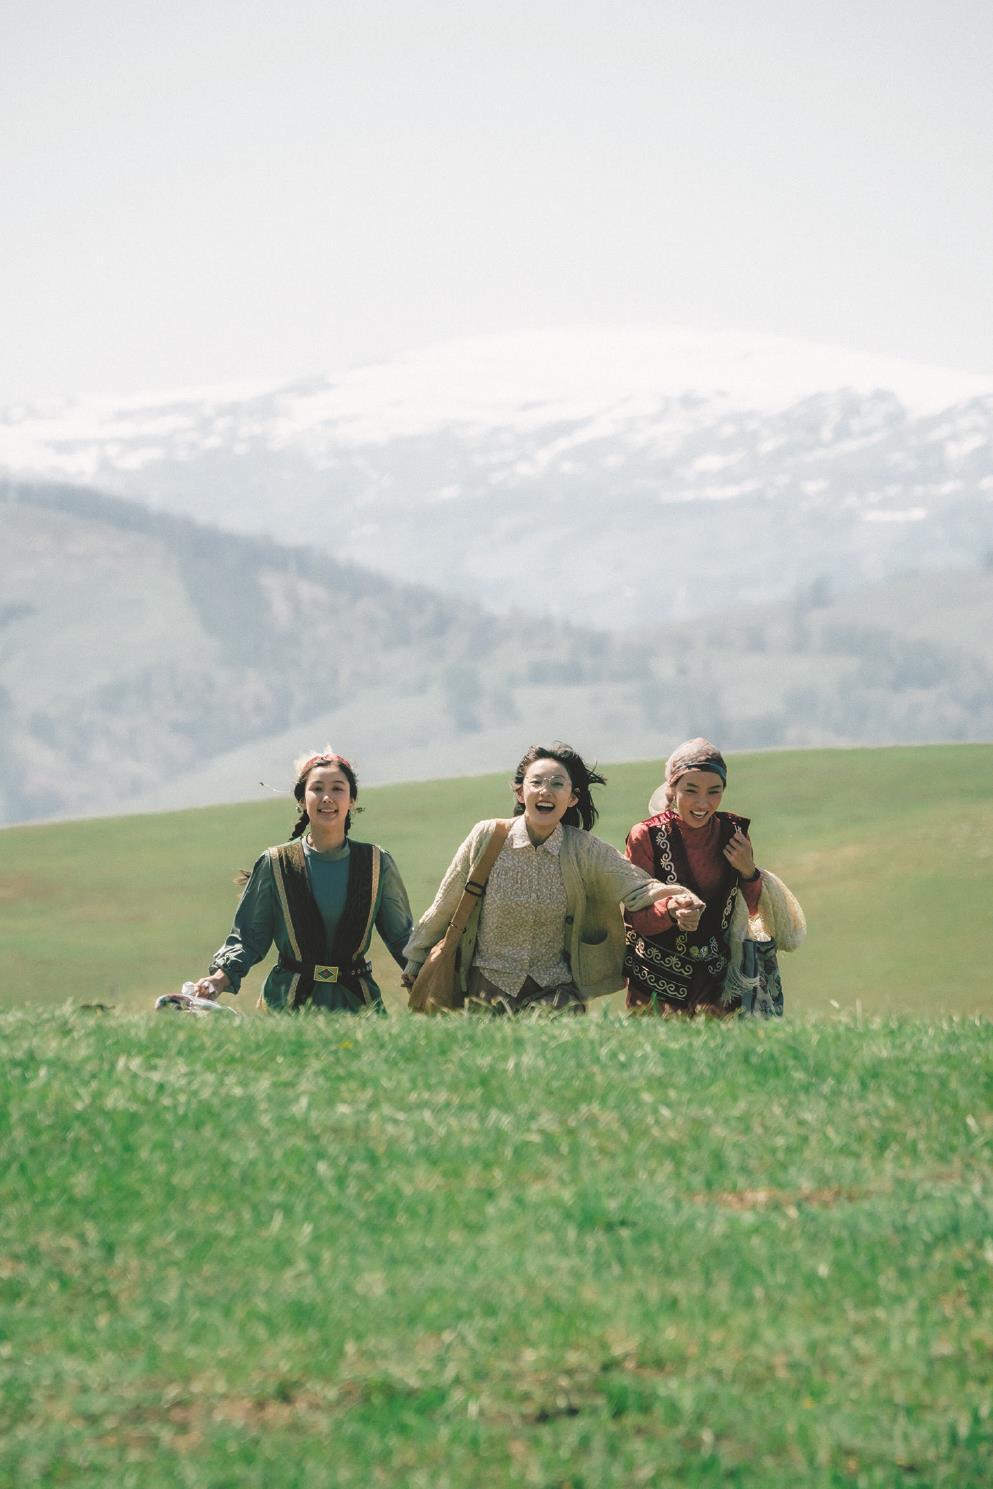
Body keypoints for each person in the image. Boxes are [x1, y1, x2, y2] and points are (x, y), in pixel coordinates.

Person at [403, 742, 700, 1014]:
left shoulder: (583, 849)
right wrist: (417, 959)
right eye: (537, 782)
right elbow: (446, 902)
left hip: (554, 991)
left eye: (557, 784)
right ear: (521, 793)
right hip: (487, 990)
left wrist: (677, 901)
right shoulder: (488, 837)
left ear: (572, 798)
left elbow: (637, 886)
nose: (546, 791)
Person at [189, 751, 413, 1012]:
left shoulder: (376, 863)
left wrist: (429, 974)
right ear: (301, 799)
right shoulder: (276, 862)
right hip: (285, 1003)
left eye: (337, 789)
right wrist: (218, 979)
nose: (327, 798)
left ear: (352, 800)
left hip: (358, 1003)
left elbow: (402, 938)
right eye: (317, 789)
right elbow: (248, 938)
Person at [624, 738, 764, 1018]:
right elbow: (633, 915)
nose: (703, 803)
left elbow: (754, 911)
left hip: (718, 980)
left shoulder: (734, 834)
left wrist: (748, 871)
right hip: (655, 981)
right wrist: (670, 911)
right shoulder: (645, 836)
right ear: (672, 789)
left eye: (714, 791)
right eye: (691, 790)